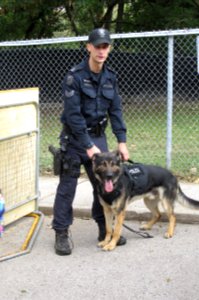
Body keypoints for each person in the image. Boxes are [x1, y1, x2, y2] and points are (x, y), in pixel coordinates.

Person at [52, 28, 129, 255]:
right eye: (97, 46)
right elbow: (74, 116)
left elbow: (115, 111)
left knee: (104, 185)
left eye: (105, 46)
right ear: (88, 47)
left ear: (109, 49)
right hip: (75, 139)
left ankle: (103, 229)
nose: (101, 50)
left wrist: (122, 141)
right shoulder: (74, 77)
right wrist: (88, 145)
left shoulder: (110, 77)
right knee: (68, 187)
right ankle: (61, 233)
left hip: (98, 137)